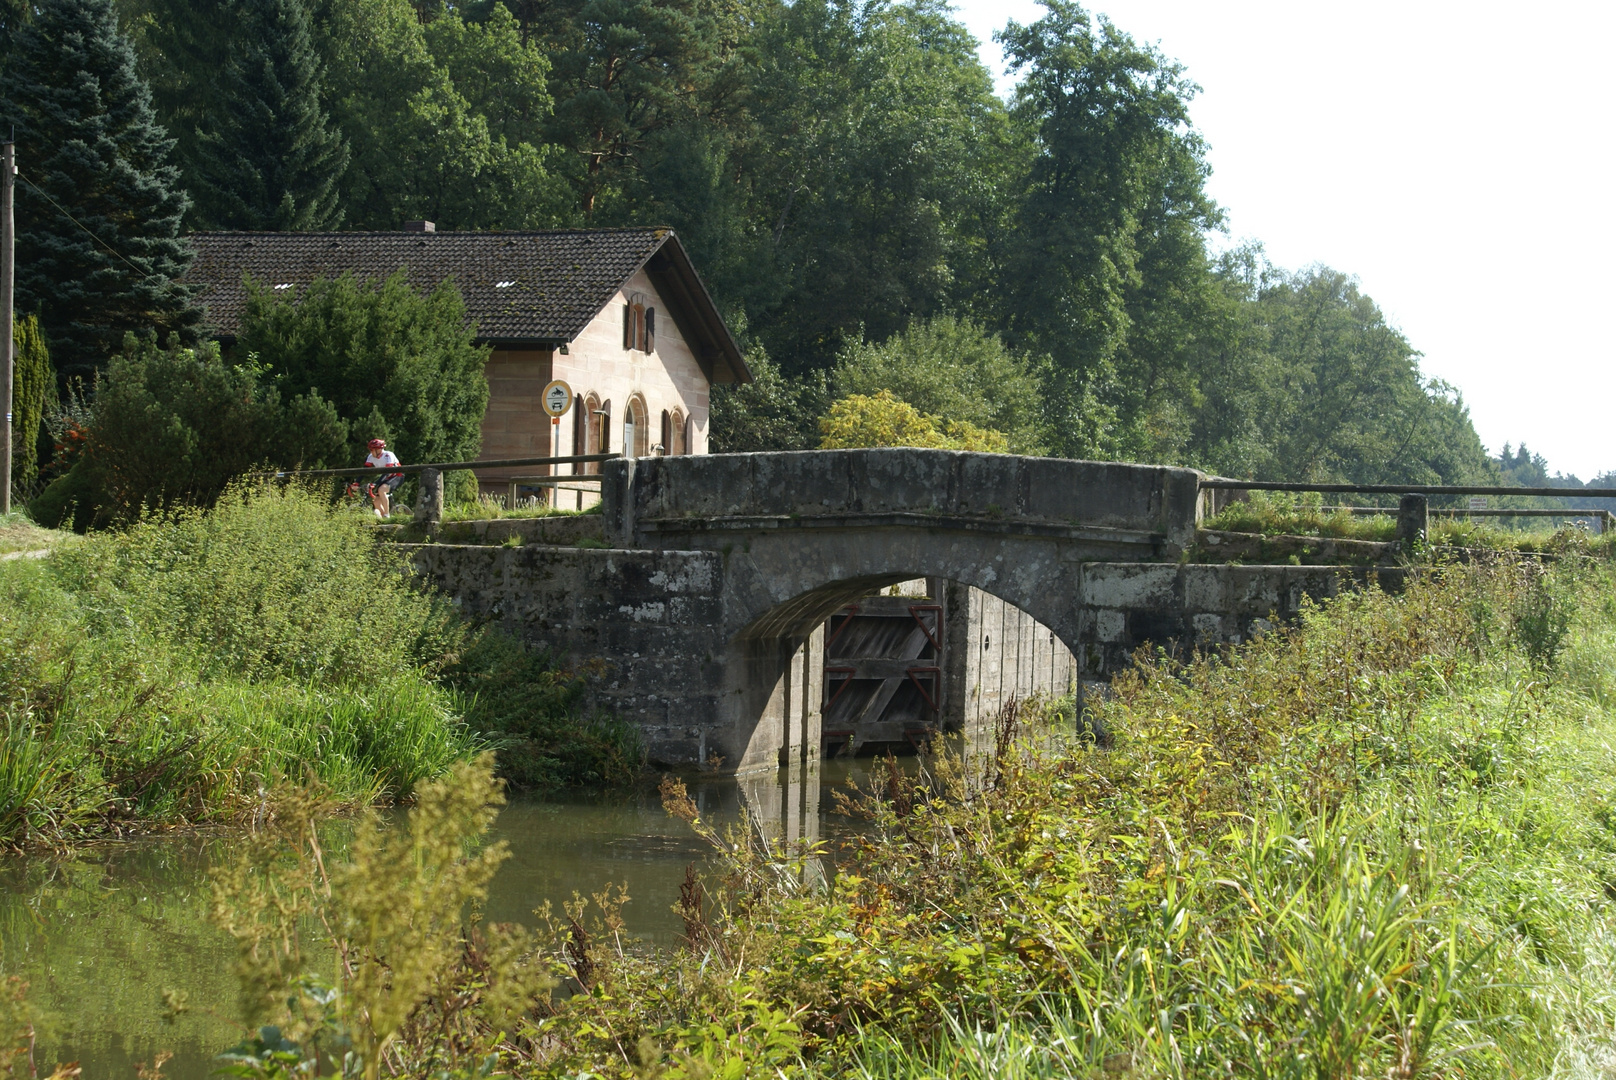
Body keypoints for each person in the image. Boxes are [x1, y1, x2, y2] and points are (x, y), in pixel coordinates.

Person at [363, 438, 404, 517]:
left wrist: (375, 483)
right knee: (376, 502)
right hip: (387, 477)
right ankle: (384, 520)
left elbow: (387, 471)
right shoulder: (371, 456)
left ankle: (386, 514)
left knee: (381, 490)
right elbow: (363, 471)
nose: (371, 452)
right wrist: (356, 483)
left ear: (378, 450)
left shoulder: (389, 455)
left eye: (372, 450)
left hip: (397, 476)